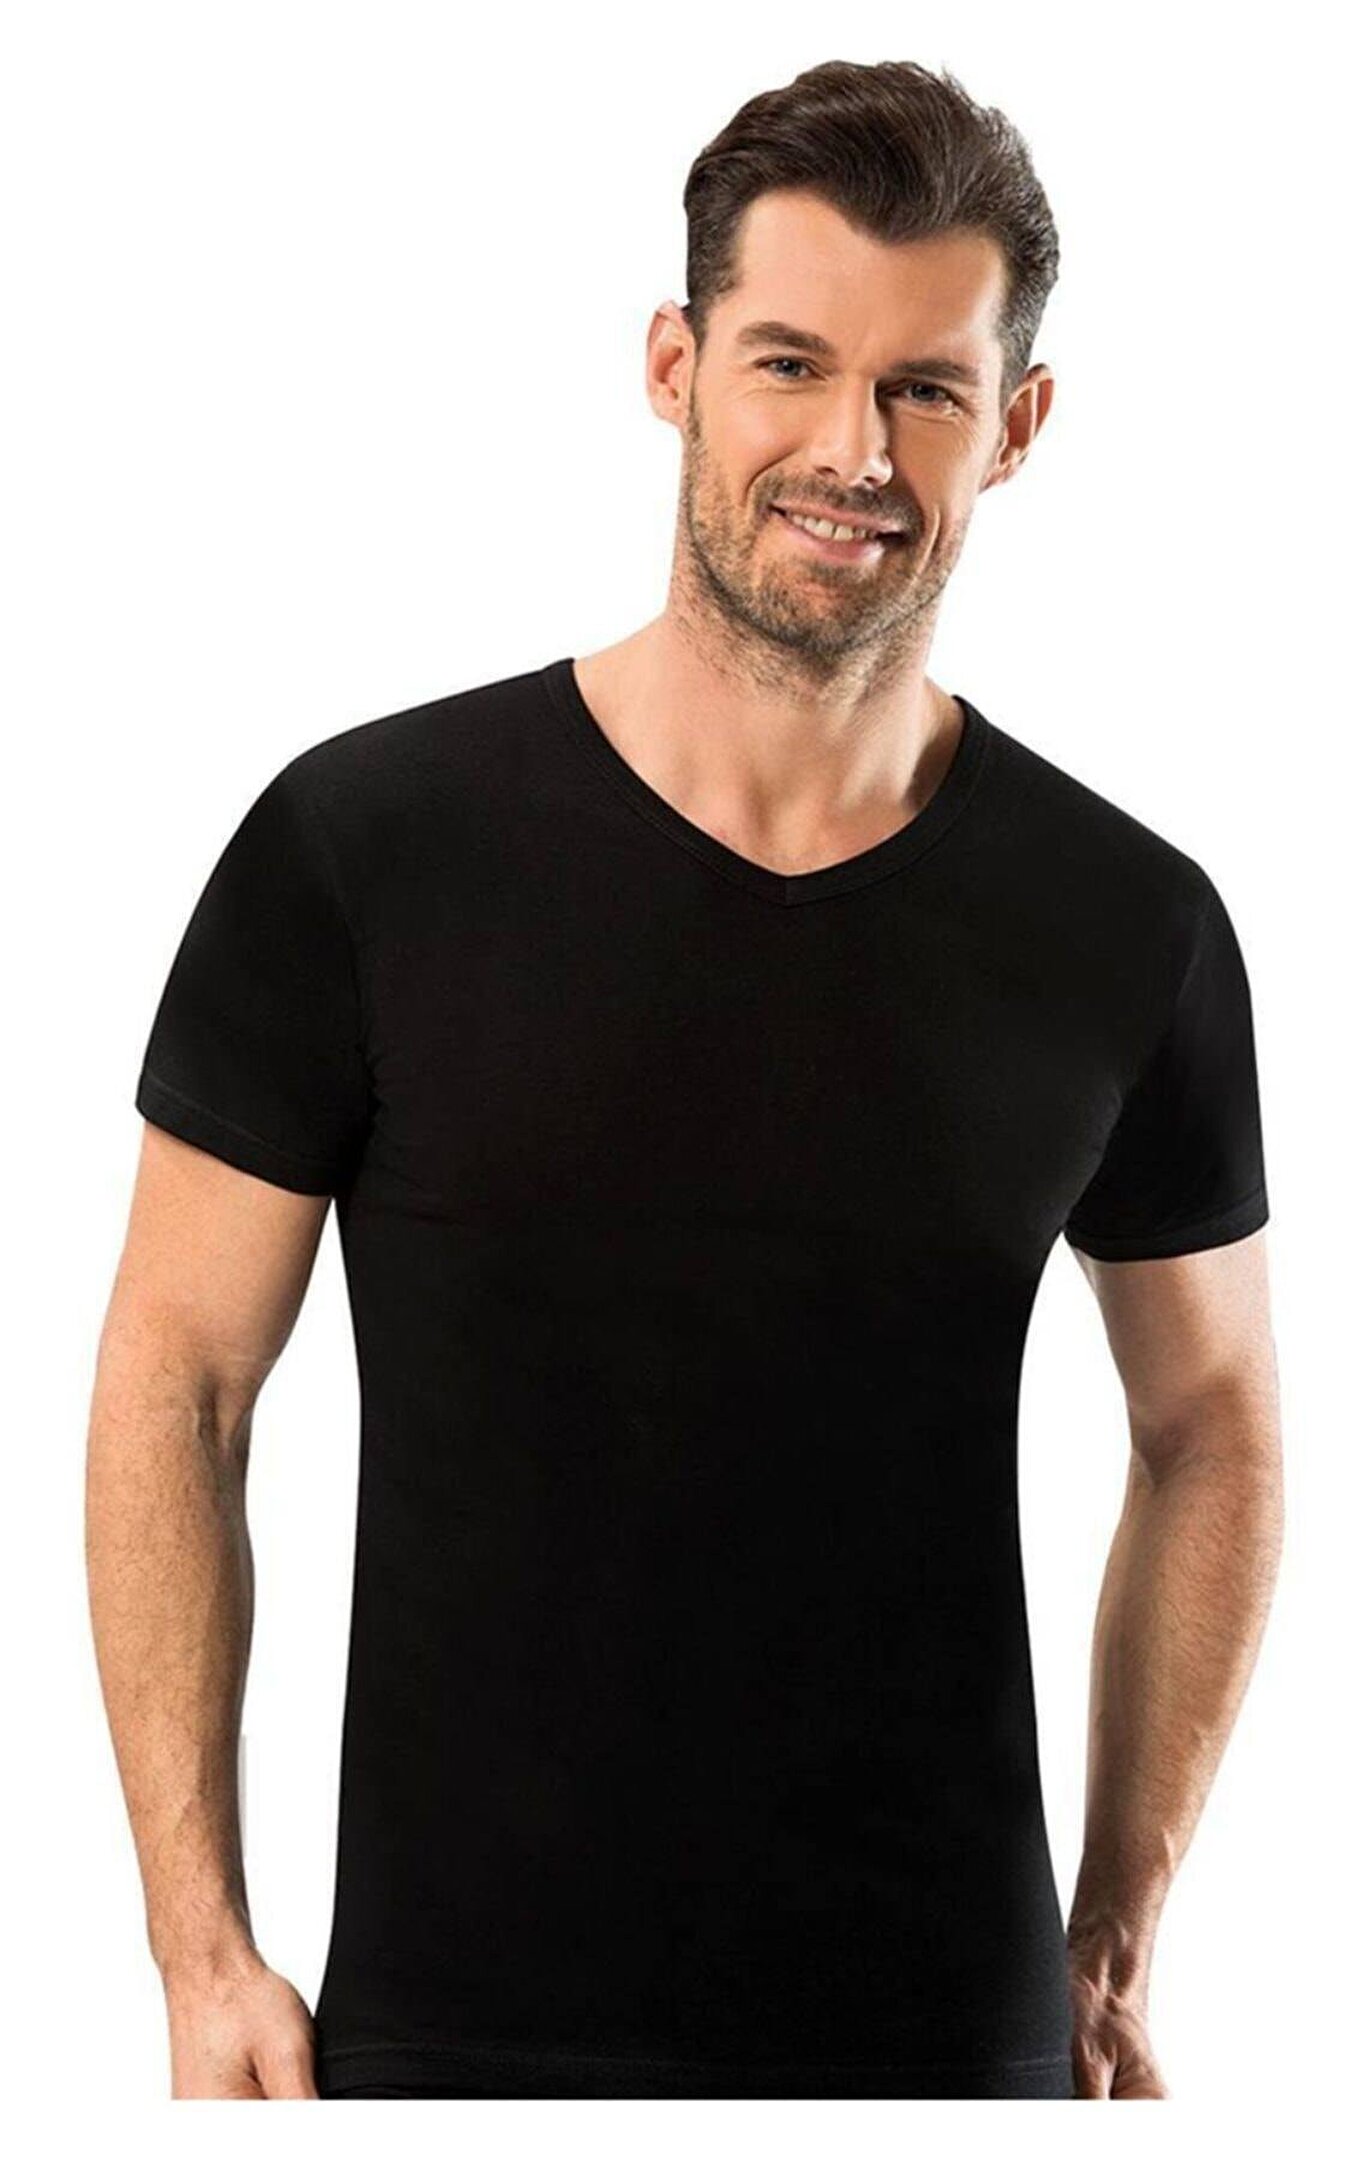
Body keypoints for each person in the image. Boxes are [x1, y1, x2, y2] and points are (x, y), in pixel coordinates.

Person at [86, 58, 1282, 2102]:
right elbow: (175, 1383)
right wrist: (199, 1949)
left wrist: (1116, 1927)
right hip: (451, 2050)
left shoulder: (1126, 921)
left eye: (925, 389)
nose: (851, 451)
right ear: (675, 366)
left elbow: (1217, 1425)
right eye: (789, 363)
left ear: (1017, 426)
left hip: (945, 2057)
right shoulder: (367, 853)